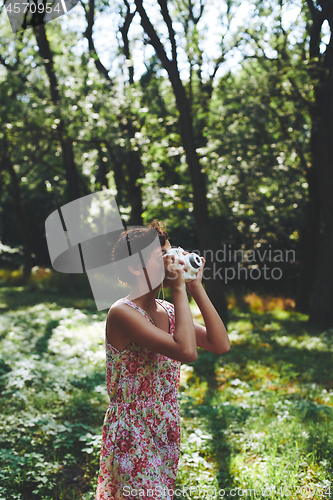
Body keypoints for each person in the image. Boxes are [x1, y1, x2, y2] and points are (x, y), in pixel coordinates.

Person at [95, 221, 230, 500]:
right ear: (135, 267)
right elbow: (187, 352)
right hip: (132, 430)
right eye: (164, 257)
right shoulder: (122, 313)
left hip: (164, 424)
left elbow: (220, 344)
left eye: (173, 254)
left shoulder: (168, 311)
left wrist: (195, 288)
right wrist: (179, 290)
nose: (174, 262)